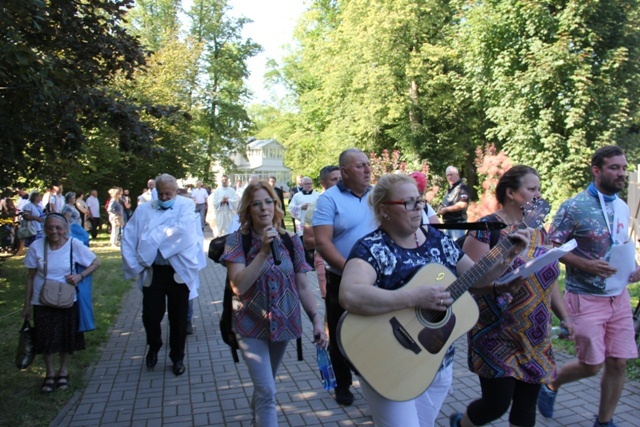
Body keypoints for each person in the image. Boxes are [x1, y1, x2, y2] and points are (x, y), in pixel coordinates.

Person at [339, 173, 530, 427]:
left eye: (419, 201)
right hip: (387, 362)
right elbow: (350, 294)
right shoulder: (373, 248)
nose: (418, 208)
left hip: (435, 363)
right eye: (408, 203)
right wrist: (413, 297)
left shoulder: (438, 241)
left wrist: (507, 256)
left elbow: (474, 278)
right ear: (384, 210)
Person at [450, 165, 572, 427]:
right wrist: (509, 255)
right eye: (531, 189)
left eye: (539, 189)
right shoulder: (486, 228)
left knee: (526, 408)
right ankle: (461, 424)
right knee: (496, 405)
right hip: (497, 332)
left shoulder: (540, 231)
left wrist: (565, 317)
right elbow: (471, 282)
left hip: (535, 334)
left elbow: (548, 281)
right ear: (512, 193)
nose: (538, 195)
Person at [537, 146, 640, 427]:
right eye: (614, 168)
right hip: (585, 298)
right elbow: (549, 249)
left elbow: (620, 244)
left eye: (623, 168)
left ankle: (604, 421)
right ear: (597, 171)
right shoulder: (574, 206)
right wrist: (585, 265)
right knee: (592, 365)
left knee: (618, 362)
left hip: (618, 298)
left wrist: (633, 268)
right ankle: (551, 383)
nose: (621, 174)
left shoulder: (620, 205)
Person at [221, 180, 327, 426]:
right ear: (248, 209)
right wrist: (263, 253)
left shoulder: (290, 241)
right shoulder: (237, 241)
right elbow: (238, 286)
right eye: (256, 204)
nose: (263, 208)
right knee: (268, 391)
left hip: (284, 325)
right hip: (250, 326)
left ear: (276, 206)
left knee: (264, 387)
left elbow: (302, 286)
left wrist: (317, 320)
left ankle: (258, 418)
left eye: (268, 202)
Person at [122, 174, 205, 376]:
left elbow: (184, 234)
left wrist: (151, 240)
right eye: (161, 193)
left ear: (176, 191)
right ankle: (154, 344)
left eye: (169, 193)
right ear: (155, 192)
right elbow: (130, 235)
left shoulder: (185, 206)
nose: (165, 197)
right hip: (154, 271)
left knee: (178, 319)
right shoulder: (144, 210)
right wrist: (144, 254)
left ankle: (177, 358)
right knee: (151, 315)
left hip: (178, 272)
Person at [313, 148, 377, 406]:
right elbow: (322, 242)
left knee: (378, 331)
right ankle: (343, 385)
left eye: (368, 164)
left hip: (378, 279)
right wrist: (351, 270)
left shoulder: (378, 196)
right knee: (341, 332)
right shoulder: (329, 199)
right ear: (345, 171)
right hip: (341, 279)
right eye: (360, 166)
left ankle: (378, 380)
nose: (367, 169)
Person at [22, 213, 101, 392]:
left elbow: (95, 263)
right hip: (42, 300)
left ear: (65, 229)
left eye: (58, 228)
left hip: (67, 299)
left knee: (67, 337)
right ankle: (50, 374)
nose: (54, 231)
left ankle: (63, 371)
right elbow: (30, 277)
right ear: (45, 229)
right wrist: (26, 305)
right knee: (45, 338)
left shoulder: (74, 245)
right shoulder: (36, 246)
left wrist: (80, 275)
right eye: (50, 227)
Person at [302, 165, 341, 298]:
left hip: (354, 261)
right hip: (325, 261)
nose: (339, 182)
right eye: (335, 179)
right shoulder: (315, 207)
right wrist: (330, 239)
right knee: (331, 305)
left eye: (341, 178)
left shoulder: (353, 201)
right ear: (324, 183)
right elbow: (307, 241)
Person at [437, 166, 470, 240]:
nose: (449, 177)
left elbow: (463, 204)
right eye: (447, 175)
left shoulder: (462, 187)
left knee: (457, 247)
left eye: (451, 175)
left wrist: (446, 210)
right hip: (448, 224)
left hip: (457, 224)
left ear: (457, 175)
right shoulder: (450, 188)